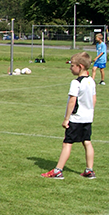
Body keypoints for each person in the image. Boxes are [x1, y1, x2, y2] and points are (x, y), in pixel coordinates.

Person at [41, 51, 97, 180]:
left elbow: (72, 101)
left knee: (67, 143)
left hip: (76, 118)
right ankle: (89, 170)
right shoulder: (91, 81)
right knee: (87, 142)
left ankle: (58, 170)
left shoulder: (76, 82)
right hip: (87, 118)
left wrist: (66, 119)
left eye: (72, 66)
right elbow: (94, 100)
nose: (70, 68)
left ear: (80, 66)